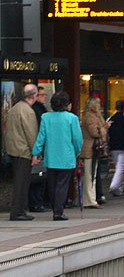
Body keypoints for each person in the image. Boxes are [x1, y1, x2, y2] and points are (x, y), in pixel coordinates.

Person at [32, 91, 82, 221]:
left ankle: (55, 208)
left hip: (51, 156)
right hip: (67, 156)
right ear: (66, 105)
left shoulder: (45, 117)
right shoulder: (72, 118)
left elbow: (41, 137)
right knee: (62, 184)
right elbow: (77, 140)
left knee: (52, 184)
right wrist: (77, 152)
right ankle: (58, 212)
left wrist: (36, 153)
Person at [4, 84, 39, 220]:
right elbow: (31, 134)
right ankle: (18, 212)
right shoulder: (28, 111)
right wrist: (35, 152)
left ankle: (20, 211)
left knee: (20, 181)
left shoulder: (15, 108)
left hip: (13, 149)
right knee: (22, 182)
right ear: (33, 96)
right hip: (23, 151)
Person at [79, 97, 106, 209]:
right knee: (90, 175)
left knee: (91, 174)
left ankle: (90, 199)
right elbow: (95, 132)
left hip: (91, 148)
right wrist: (104, 128)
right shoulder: (90, 116)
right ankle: (90, 200)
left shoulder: (91, 116)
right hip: (90, 149)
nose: (99, 106)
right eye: (98, 104)